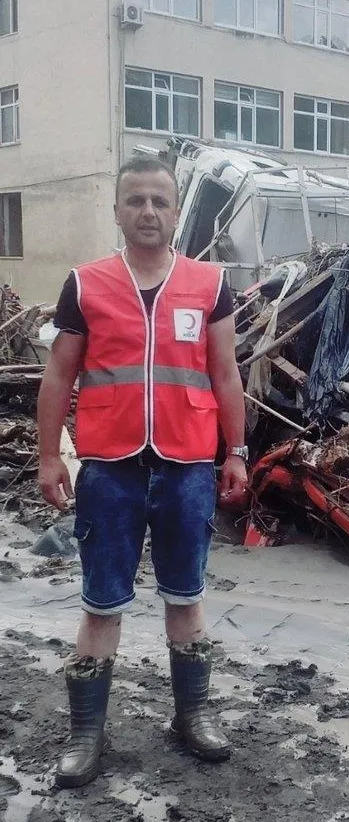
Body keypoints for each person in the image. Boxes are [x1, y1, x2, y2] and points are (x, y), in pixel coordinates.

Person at [37, 157, 248, 788]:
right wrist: (50, 456)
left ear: (176, 211)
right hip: (110, 470)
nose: (148, 212)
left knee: (186, 597)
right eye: (136, 201)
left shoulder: (210, 284)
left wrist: (236, 451)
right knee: (101, 603)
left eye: (160, 201)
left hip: (187, 467)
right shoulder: (86, 284)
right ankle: (86, 735)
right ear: (118, 211)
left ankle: (192, 716)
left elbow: (225, 374)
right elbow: (58, 374)